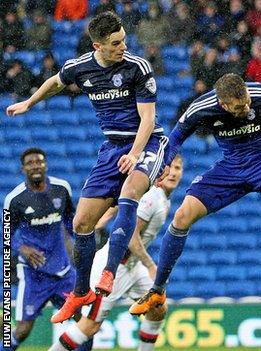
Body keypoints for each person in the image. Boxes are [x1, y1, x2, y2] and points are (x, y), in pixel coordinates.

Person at [6, 11, 168, 324]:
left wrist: (135, 155)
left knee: (131, 192)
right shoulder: (81, 67)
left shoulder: (137, 67)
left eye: (123, 39)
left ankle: (108, 272)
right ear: (98, 45)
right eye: (116, 43)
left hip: (146, 144)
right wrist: (29, 102)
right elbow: (55, 82)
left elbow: (148, 119)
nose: (123, 46)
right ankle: (81, 292)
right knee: (81, 224)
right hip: (112, 149)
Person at [128, 73, 261, 315]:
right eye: (239, 107)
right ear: (223, 105)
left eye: (247, 101)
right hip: (232, 166)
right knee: (181, 216)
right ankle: (158, 289)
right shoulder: (201, 108)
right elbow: (176, 136)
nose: (247, 107)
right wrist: (166, 161)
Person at [48, 155, 184, 351]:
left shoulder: (159, 196)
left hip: (133, 265)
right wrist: (151, 265)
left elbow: (126, 201)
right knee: (89, 326)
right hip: (115, 266)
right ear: (161, 169)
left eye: (178, 168)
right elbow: (130, 236)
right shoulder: (153, 197)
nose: (173, 172)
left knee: (158, 309)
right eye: (170, 167)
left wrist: (108, 214)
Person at [4, 148, 91, 351]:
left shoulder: (61, 189)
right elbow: (4, 235)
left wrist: (80, 242)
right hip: (33, 275)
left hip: (63, 271)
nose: (35, 165)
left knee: (84, 324)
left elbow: (71, 221)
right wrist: (21, 247)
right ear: (23, 168)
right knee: (22, 330)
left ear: (46, 165)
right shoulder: (15, 200)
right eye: (30, 163)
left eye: (39, 161)